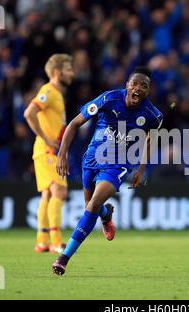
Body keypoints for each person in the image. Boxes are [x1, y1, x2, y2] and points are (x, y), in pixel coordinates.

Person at [52, 66, 163, 276]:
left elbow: (151, 139)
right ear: (127, 86)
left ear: (148, 91)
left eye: (144, 86)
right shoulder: (109, 99)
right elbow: (74, 123)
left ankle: (64, 258)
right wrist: (61, 154)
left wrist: (141, 168)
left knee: (92, 203)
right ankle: (106, 213)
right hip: (92, 159)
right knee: (91, 207)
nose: (139, 88)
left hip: (118, 165)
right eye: (135, 84)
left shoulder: (153, 116)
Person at [24, 54, 75, 254]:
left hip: (46, 150)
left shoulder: (56, 93)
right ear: (57, 72)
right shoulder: (48, 91)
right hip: (48, 150)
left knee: (47, 193)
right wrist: (46, 139)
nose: (72, 73)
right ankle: (55, 241)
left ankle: (42, 240)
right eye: (68, 69)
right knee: (59, 192)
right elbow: (29, 113)